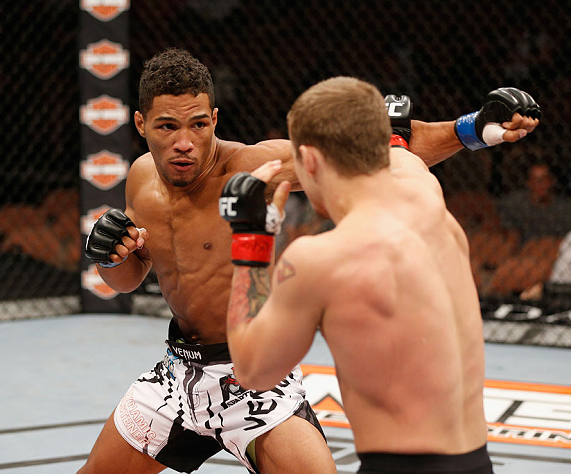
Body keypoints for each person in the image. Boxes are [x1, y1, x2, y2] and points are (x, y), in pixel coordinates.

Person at [80, 46, 539, 474]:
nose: (185, 142)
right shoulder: (140, 177)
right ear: (141, 124)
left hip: (257, 379)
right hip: (177, 374)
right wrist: (111, 256)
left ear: (215, 119)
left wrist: (475, 127)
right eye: (167, 127)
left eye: (198, 125)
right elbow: (126, 279)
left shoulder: (253, 168)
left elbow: (377, 151)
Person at [220, 77, 539, 474]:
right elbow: (402, 144)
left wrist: (251, 238)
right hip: (475, 462)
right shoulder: (425, 191)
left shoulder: (321, 259)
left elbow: (253, 370)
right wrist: (474, 127)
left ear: (311, 161)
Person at [497, 158, 571, 244]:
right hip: (524, 251)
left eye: (544, 179)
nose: (541, 184)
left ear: (551, 181)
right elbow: (511, 235)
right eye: (536, 180)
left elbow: (567, 239)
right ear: (528, 182)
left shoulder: (564, 208)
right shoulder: (515, 202)